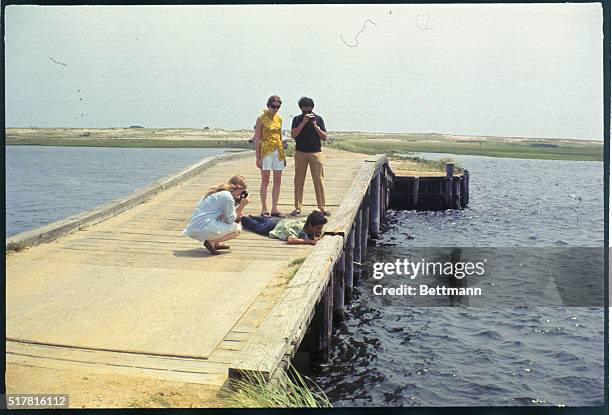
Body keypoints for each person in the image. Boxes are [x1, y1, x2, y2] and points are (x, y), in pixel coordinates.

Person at [182, 175, 250, 255]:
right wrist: (242, 206)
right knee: (237, 229)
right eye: (242, 192)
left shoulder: (217, 192)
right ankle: (212, 242)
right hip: (203, 228)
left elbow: (222, 215)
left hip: (194, 228)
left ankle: (216, 243)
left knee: (227, 219)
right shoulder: (227, 196)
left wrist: (236, 205)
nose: (241, 195)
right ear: (237, 187)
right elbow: (231, 219)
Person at [290, 96, 330, 217]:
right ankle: (297, 207)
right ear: (301, 109)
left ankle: (322, 208)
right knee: (298, 180)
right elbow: (293, 135)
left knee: (318, 180)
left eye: (308, 110)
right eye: (304, 111)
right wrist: (303, 122)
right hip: (300, 152)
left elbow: (324, 137)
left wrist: (315, 125)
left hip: (315, 152)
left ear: (312, 108)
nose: (306, 113)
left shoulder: (318, 119)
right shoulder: (297, 119)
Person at [254, 95, 286, 218]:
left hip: (277, 150)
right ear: (268, 105)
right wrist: (258, 157)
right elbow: (257, 138)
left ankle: (274, 208)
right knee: (265, 180)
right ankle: (264, 208)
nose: (276, 109)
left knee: (278, 180)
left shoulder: (279, 119)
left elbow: (280, 137)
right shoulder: (261, 118)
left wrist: (283, 154)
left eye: (278, 106)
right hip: (266, 151)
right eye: (273, 106)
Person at [240, 210, 328, 245]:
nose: (320, 230)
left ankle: (252, 216)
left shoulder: (309, 222)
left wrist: (317, 234)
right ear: (310, 225)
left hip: (280, 221)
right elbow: (290, 240)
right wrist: (309, 241)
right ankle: (243, 218)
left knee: (265, 219)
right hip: (275, 228)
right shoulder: (299, 229)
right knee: (257, 227)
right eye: (318, 228)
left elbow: (312, 216)